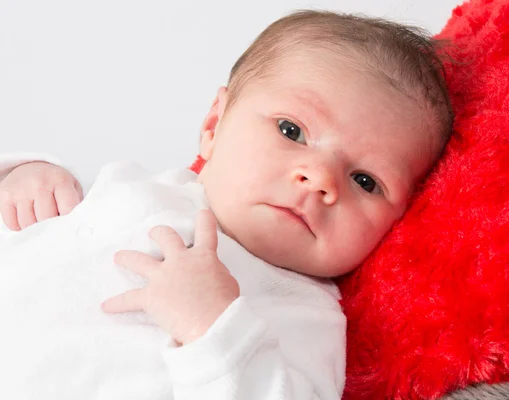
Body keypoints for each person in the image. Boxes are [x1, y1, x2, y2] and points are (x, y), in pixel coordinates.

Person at [0, 10, 452, 400]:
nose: (320, 180)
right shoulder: (132, 184)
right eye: (292, 131)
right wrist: (23, 176)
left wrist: (212, 327)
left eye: (365, 181)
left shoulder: (309, 315)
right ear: (214, 124)